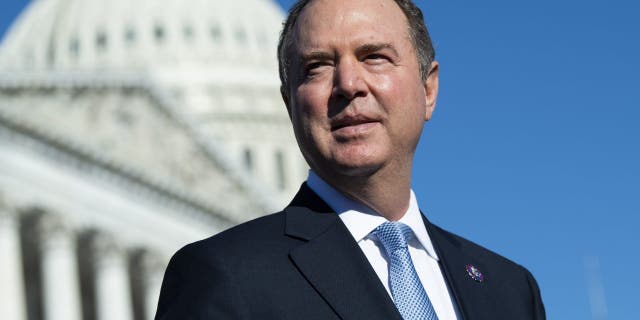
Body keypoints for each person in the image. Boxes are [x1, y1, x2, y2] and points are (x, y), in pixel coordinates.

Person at [154, 0, 546, 319]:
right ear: (289, 102)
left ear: (428, 89)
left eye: (373, 56)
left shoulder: (510, 290)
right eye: (317, 66)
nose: (349, 84)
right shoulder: (226, 275)